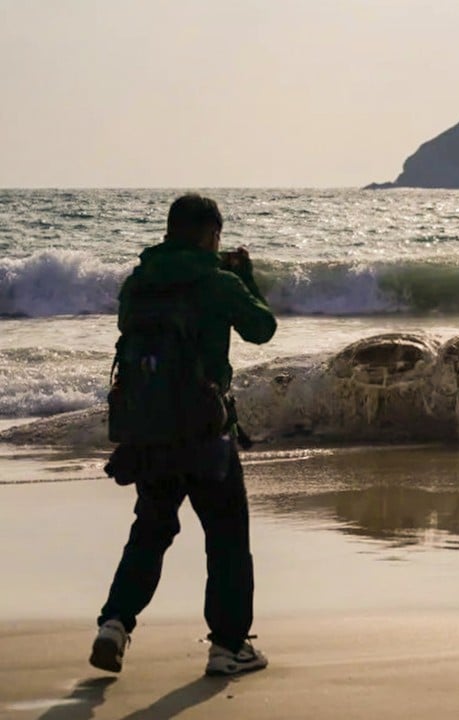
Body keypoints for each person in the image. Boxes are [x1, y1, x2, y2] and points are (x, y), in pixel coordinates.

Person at [90, 194, 277, 676]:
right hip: (203, 431)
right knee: (227, 537)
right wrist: (243, 276)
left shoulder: (138, 283)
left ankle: (114, 623)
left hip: (147, 429)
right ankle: (229, 646)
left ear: (169, 231)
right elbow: (262, 327)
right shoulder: (217, 283)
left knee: (151, 531)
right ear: (211, 235)